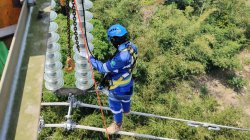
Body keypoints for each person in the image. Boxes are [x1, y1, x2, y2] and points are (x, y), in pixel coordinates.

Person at [90, 24, 138, 134]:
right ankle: (126, 111)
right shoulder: (132, 47)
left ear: (115, 40)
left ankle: (117, 124)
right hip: (128, 82)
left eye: (112, 40)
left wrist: (90, 59)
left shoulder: (121, 57)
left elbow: (103, 68)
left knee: (115, 105)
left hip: (118, 87)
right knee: (126, 98)